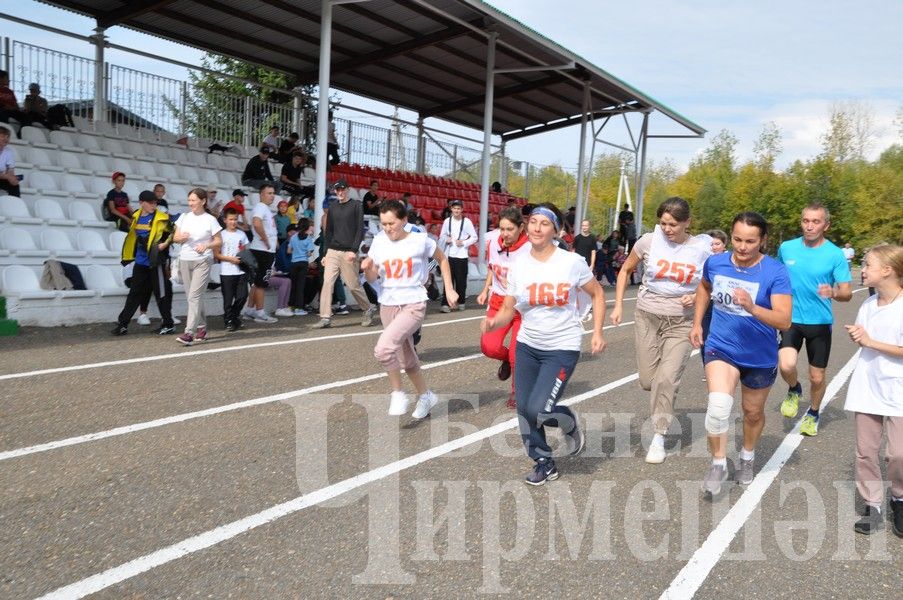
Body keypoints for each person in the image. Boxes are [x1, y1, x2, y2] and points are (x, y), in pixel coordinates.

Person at [482, 203, 606, 485]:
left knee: (540, 409)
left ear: (556, 230)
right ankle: (543, 461)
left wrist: (597, 332)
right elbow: (508, 309)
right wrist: (494, 323)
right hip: (528, 344)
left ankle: (569, 422)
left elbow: (597, 294)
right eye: (533, 222)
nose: (537, 228)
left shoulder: (571, 263)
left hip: (562, 346)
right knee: (524, 409)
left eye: (545, 223)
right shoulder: (519, 265)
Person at [691, 212, 792, 496]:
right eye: (737, 239)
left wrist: (753, 308)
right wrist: (698, 322)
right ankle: (718, 463)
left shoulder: (775, 272)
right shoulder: (716, 262)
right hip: (721, 346)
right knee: (719, 406)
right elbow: (704, 287)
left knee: (752, 412)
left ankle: (747, 457)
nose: (742, 247)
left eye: (750, 241)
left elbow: (784, 320)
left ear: (762, 241)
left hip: (760, 354)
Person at [610, 197, 713, 464]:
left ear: (687, 222)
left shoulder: (702, 249)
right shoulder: (647, 241)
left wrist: (699, 296)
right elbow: (626, 270)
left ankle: (659, 436)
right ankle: (660, 407)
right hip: (647, 316)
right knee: (648, 381)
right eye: (663, 223)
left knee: (666, 379)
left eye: (674, 224)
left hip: (681, 321)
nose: (667, 229)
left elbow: (712, 284)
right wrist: (619, 305)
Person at [362, 200, 458, 417]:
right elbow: (372, 277)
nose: (387, 228)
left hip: (413, 302)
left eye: (392, 223)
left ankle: (397, 393)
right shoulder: (378, 241)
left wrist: (449, 290)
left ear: (404, 221)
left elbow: (442, 260)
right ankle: (426, 396)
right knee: (406, 358)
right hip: (387, 303)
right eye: (384, 224)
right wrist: (367, 268)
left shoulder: (419, 240)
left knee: (384, 349)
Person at [843, 244, 903, 536]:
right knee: (866, 451)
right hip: (868, 385)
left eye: (867, 265)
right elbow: (866, 339)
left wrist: (869, 341)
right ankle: (873, 504)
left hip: (899, 389)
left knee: (899, 454)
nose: (862, 270)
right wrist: (860, 336)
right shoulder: (868, 304)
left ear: (888, 270)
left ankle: (899, 498)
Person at [777, 203, 853, 436]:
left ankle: (813, 412)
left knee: (817, 376)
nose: (809, 226)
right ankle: (793, 388)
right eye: (806, 221)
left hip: (819, 322)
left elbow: (847, 292)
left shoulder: (834, 254)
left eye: (815, 222)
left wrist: (833, 293)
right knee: (786, 364)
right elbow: (777, 278)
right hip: (791, 319)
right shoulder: (786, 248)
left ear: (826, 225)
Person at [477, 206, 531, 409]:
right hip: (499, 301)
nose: (505, 234)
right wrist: (485, 289)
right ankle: (507, 360)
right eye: (502, 229)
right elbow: (492, 267)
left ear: (520, 228)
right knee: (488, 347)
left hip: (521, 306)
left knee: (517, 354)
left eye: (510, 229)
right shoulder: (493, 243)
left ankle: (518, 392)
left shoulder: (530, 249)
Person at [310, 179, 376, 328]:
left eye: (342, 189)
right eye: (337, 189)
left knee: (353, 286)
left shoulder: (356, 205)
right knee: (327, 283)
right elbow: (329, 232)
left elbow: (360, 230)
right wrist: (325, 253)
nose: (340, 192)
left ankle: (368, 308)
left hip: (348, 252)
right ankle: (325, 317)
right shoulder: (333, 207)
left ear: (348, 189)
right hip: (332, 250)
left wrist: (353, 250)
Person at [111, 190, 176, 336]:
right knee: (134, 293)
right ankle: (123, 324)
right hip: (141, 262)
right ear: (141, 203)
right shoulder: (136, 216)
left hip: (155, 261)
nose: (154, 205)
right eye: (151, 203)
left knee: (161, 294)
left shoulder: (161, 218)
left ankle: (168, 324)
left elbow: (174, 232)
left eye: (155, 203)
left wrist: (164, 245)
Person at [173, 188, 223, 346]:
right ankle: (202, 329)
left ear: (203, 201)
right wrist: (181, 238)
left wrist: (207, 245)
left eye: (194, 200)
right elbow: (175, 238)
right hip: (185, 259)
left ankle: (189, 333)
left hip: (203, 261)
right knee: (193, 298)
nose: (191, 203)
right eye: (189, 200)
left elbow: (219, 241)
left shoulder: (210, 220)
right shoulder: (183, 217)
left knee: (194, 297)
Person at [244, 184, 280, 324]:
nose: (272, 195)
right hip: (262, 251)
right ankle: (260, 312)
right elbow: (257, 223)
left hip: (264, 250)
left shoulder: (265, 208)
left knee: (256, 282)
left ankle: (250, 310)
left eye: (273, 193)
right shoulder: (260, 207)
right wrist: (265, 240)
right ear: (261, 194)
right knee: (261, 283)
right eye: (269, 193)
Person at [214, 207, 250, 332]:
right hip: (226, 272)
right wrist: (231, 259)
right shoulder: (221, 235)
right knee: (228, 299)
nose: (233, 222)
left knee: (242, 296)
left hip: (240, 271)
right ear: (225, 220)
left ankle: (233, 316)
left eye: (235, 219)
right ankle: (229, 320)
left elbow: (244, 252)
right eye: (231, 219)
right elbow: (216, 254)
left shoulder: (242, 234)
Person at [438, 199, 477, 313]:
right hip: (449, 254)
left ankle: (461, 302)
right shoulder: (447, 221)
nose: (456, 210)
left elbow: (474, 237)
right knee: (448, 280)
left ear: (462, 209)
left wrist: (464, 243)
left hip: (462, 255)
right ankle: (445, 303)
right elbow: (442, 235)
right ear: (451, 209)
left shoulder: (467, 222)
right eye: (454, 208)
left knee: (461, 281)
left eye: (458, 208)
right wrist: (446, 239)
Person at [699, 229, 728, 365]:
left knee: (722, 338)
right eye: (711, 244)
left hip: (723, 305)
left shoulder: (730, 261)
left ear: (724, 245)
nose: (714, 247)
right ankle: (708, 366)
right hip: (706, 304)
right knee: (704, 338)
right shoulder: (701, 261)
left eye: (717, 244)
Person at [288, 217, 316, 315]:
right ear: (307, 226)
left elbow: (289, 251)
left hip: (294, 263)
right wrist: (304, 253)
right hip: (303, 263)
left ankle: (291, 306)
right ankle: (299, 308)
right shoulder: (308, 238)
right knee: (301, 286)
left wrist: (296, 251)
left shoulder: (293, 237)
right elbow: (309, 253)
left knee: (294, 285)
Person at [0, 124, 20, 197]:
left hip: (1, 177)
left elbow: (10, 170)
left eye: (7, 137)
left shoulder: (9, 151)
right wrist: (8, 177)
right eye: (3, 136)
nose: (6, 139)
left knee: (14, 184)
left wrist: (12, 178)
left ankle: (16, 205)